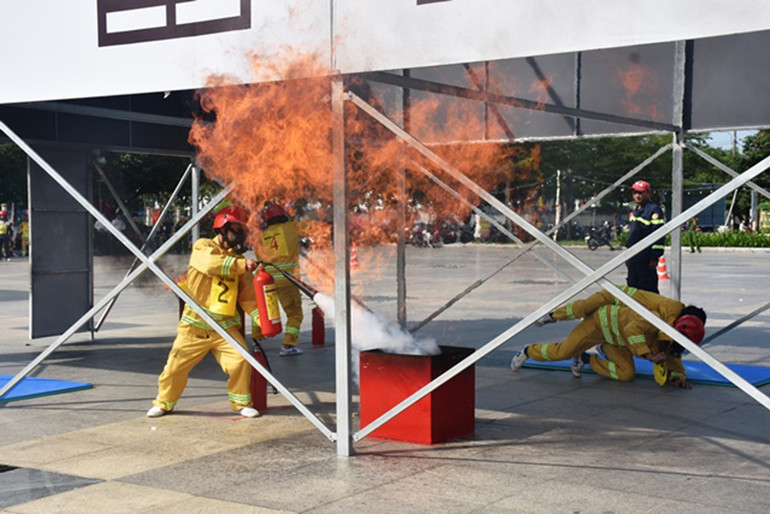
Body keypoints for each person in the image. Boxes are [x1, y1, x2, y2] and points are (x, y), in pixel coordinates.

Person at [147, 206, 262, 418]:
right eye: (235, 228)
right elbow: (211, 265)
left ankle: (241, 404)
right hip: (194, 327)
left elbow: (247, 297)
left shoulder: (238, 261)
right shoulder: (203, 247)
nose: (239, 234)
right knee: (175, 367)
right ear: (222, 229)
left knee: (240, 360)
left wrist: (260, 319)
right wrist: (241, 263)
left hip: (224, 329)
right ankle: (164, 402)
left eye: (242, 229)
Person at [510, 286, 706, 389]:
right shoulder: (667, 315)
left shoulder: (670, 330)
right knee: (578, 317)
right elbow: (639, 333)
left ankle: (586, 358)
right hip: (608, 308)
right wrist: (650, 356)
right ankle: (537, 337)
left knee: (627, 374)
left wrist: (678, 376)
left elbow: (673, 356)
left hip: (618, 339)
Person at [254, 203, 304, 356]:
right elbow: (315, 228)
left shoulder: (260, 237)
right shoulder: (293, 227)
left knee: (262, 310)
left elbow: (258, 258)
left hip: (267, 280)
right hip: (288, 279)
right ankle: (288, 345)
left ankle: (256, 341)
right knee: (294, 313)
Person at [625, 180, 665, 293]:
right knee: (633, 288)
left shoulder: (653, 210)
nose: (637, 195)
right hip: (634, 256)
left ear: (648, 193)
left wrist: (654, 257)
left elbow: (658, 234)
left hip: (645, 257)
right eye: (635, 193)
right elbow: (633, 234)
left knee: (648, 288)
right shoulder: (636, 210)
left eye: (641, 193)